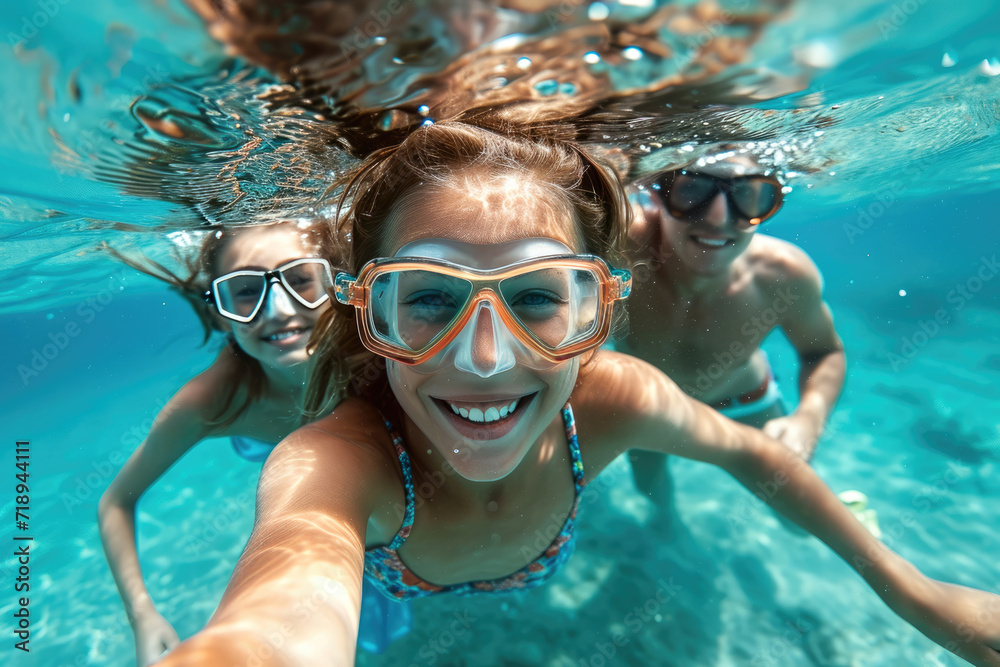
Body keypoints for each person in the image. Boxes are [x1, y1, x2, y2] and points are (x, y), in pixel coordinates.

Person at [158, 121, 1000, 667]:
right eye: (426, 298)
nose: (485, 361)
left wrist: (909, 588)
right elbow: (283, 601)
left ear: (598, 311)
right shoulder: (337, 459)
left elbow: (753, 453)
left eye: (535, 297)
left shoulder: (617, 398)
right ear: (366, 312)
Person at [97, 221, 410, 666]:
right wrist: (142, 615)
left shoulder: (376, 353)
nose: (279, 310)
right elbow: (114, 502)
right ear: (218, 313)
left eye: (300, 280)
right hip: (266, 440)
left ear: (334, 285)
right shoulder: (214, 401)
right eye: (245, 291)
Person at [621, 148, 855, 522]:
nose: (718, 218)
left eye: (748, 195)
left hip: (745, 400)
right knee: (652, 491)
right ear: (655, 192)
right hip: (651, 405)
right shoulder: (618, 244)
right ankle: (667, 525)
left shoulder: (783, 275)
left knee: (799, 520)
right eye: (692, 191)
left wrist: (808, 418)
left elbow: (824, 350)